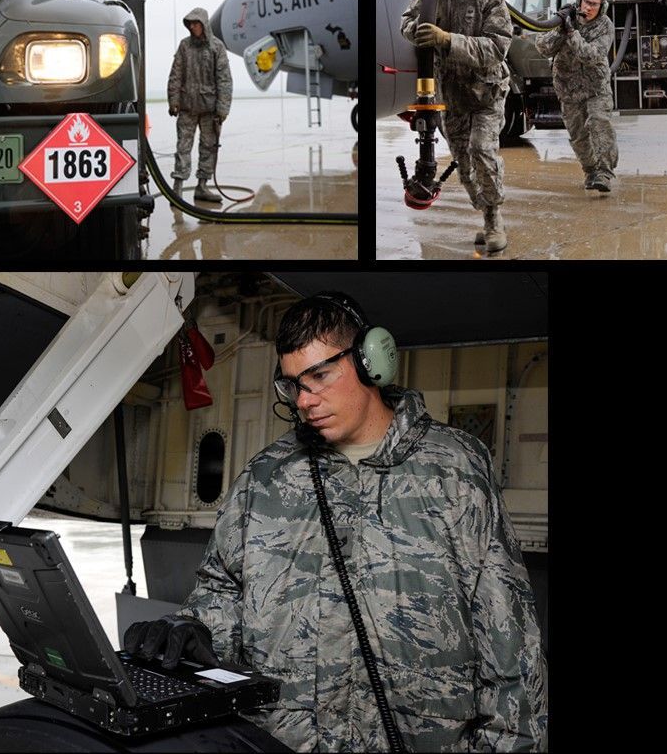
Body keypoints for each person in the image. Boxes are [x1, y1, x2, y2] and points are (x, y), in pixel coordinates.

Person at [124, 292, 548, 753]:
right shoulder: (266, 475)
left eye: (320, 376)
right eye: (292, 385)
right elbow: (222, 589)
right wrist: (192, 627)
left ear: (371, 363)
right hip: (282, 742)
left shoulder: (455, 467)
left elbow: (507, 630)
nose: (305, 401)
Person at [400, 0, 513, 253]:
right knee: (464, 165)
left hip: (486, 95)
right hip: (451, 97)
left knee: (482, 151)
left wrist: (447, 39)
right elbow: (407, 20)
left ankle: (494, 220)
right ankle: (486, 209)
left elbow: (496, 48)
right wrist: (419, 31)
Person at [535, 0, 618, 192]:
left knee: (601, 125)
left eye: (594, 4)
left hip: (595, 88)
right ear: (580, 1)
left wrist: (571, 33)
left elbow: (590, 55)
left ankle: (604, 173)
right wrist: (562, 28)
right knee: (578, 135)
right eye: (587, 2)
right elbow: (543, 47)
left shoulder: (605, 26)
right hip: (568, 89)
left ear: (601, 7)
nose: (589, 8)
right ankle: (590, 171)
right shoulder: (567, 20)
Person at [167, 7, 233, 203]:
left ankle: (202, 186)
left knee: (208, 147)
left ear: (204, 24)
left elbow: (224, 80)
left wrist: (222, 109)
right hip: (187, 108)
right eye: (191, 24)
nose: (193, 26)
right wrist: (174, 101)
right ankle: (177, 187)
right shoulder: (184, 46)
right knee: (183, 148)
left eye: (196, 23)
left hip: (209, 110)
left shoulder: (216, 47)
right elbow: (175, 75)